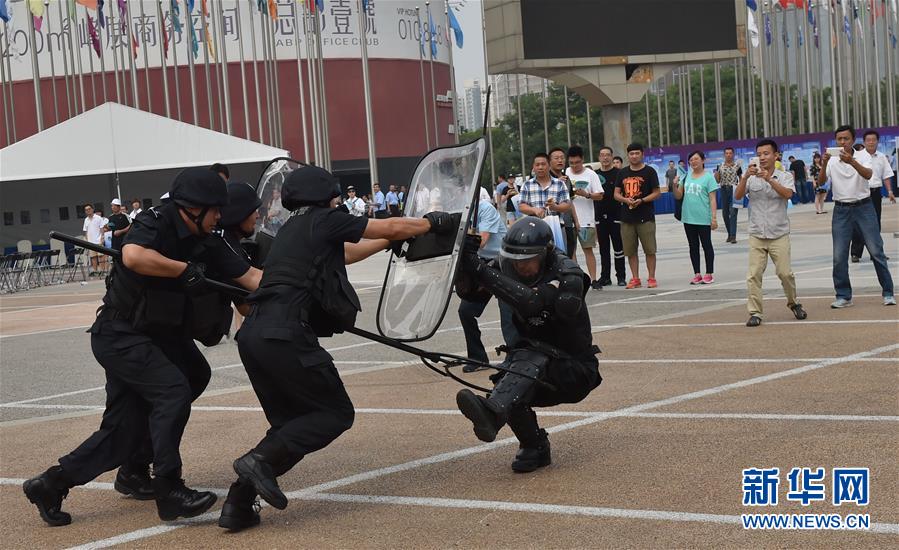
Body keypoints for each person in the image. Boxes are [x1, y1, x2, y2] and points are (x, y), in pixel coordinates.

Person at [219, 166, 455, 531]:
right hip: (286, 333)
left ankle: (237, 503)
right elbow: (389, 226)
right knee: (335, 414)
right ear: (324, 198)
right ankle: (256, 464)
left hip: (255, 336)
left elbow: (346, 253)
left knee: (290, 425)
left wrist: (390, 243)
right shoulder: (322, 219)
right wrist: (432, 223)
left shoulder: (294, 229)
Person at [23, 168, 262, 527]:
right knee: (172, 391)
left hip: (159, 337)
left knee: (145, 412)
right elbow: (133, 256)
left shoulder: (207, 238)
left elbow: (252, 279)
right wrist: (182, 269)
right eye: (215, 209)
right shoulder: (156, 220)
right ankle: (169, 489)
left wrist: (295, 284)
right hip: (121, 334)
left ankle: (59, 482)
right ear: (192, 208)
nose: (219, 217)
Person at [454, 217, 601, 472]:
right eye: (515, 261)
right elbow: (470, 297)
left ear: (544, 255)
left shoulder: (568, 275)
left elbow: (533, 302)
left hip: (574, 370)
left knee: (525, 360)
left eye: (527, 261)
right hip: (532, 367)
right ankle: (534, 446)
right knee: (508, 378)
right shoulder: (506, 265)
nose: (520, 268)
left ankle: (494, 412)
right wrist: (465, 262)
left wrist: (481, 271)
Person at [817, 125, 895, 308]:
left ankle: (888, 292)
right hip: (841, 209)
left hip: (864, 207)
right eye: (839, 139)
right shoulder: (832, 159)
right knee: (839, 255)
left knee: (876, 251)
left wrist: (852, 161)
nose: (842, 142)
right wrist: (825, 164)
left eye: (846, 139)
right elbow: (821, 183)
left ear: (853, 140)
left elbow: (868, 174)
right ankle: (844, 295)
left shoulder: (862, 155)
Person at [735, 140, 808, 326]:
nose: (762, 157)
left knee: (785, 273)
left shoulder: (784, 176)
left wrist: (768, 178)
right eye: (759, 154)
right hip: (757, 233)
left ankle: (793, 303)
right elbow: (737, 196)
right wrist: (744, 177)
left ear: (776, 155)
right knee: (753, 274)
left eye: (766, 153)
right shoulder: (750, 178)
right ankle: (755, 312)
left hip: (779, 233)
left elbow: (788, 194)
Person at [457, 196, 518, 373]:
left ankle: (514, 358)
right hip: (480, 264)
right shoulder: (460, 213)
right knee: (466, 311)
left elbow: (481, 241)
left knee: (507, 310)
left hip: (501, 263)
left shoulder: (485, 209)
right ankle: (477, 359)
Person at [614, 143, 661, 289]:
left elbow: (657, 193)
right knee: (630, 251)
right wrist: (625, 200)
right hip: (627, 217)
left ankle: (651, 277)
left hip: (645, 216)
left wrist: (642, 200)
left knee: (649, 249)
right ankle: (635, 278)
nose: (634, 156)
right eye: (631, 154)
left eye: (637, 153)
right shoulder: (622, 173)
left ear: (642, 154)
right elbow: (616, 194)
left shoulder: (650, 171)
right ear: (627, 156)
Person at [849, 130, 896, 262]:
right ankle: (855, 253)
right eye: (868, 140)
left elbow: (886, 176)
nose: (871, 142)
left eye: (873, 140)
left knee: (875, 223)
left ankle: (876, 253)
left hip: (875, 193)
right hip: (860, 193)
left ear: (877, 141)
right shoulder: (857, 157)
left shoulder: (881, 157)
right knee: (858, 224)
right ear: (864, 142)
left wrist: (890, 192)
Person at [674, 151, 718, 284]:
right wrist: (674, 185)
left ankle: (709, 273)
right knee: (693, 246)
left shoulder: (708, 177)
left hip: (703, 217)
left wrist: (714, 218)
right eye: (691, 160)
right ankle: (697, 273)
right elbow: (678, 196)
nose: (693, 162)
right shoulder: (685, 177)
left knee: (706, 245)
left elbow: (712, 199)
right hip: (688, 217)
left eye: (696, 159)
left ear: (703, 160)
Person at [565, 145, 604, 289]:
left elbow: (600, 195)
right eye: (571, 163)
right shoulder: (565, 172)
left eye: (577, 162)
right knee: (571, 251)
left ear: (582, 160)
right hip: (568, 219)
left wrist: (586, 194)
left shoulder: (590, 174)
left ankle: (593, 279)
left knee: (588, 250)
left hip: (586, 219)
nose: (574, 166)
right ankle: (576, 279)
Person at [518, 154, 572, 255]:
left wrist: (555, 207)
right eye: (537, 165)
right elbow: (521, 206)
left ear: (549, 166)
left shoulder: (559, 184)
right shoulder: (527, 185)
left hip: (557, 228)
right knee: (536, 259)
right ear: (533, 167)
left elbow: (567, 205)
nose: (540, 167)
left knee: (559, 258)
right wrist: (534, 210)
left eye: (543, 164)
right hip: (534, 229)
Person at [594, 147, 627, 287]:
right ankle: (605, 277)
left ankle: (621, 276)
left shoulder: (620, 173)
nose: (605, 158)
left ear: (612, 157)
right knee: (603, 249)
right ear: (599, 157)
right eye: (602, 155)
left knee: (618, 248)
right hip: (599, 216)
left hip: (616, 215)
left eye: (608, 155)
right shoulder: (594, 175)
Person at [548, 148, 578, 259]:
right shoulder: (545, 178)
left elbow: (569, 201)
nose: (560, 160)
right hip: (552, 223)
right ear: (549, 161)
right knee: (555, 254)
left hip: (568, 222)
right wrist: (556, 183)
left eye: (562, 158)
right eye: (556, 158)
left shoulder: (567, 179)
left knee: (570, 252)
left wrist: (576, 220)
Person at [716, 147, 742, 243]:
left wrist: (742, 189)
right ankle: (729, 234)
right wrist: (716, 174)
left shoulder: (737, 166)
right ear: (724, 155)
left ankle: (733, 236)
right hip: (723, 189)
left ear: (733, 154)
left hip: (734, 189)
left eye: (730, 153)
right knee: (725, 213)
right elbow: (717, 180)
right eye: (726, 153)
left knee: (733, 212)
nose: (728, 155)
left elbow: (741, 178)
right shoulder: (720, 166)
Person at [82, 204, 104, 275]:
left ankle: (102, 271)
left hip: (98, 240)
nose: (88, 211)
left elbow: (102, 229)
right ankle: (95, 271)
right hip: (90, 242)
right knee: (93, 257)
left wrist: (102, 239)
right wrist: (87, 241)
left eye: (89, 209)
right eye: (86, 210)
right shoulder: (86, 220)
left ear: (92, 209)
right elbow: (85, 231)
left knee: (100, 256)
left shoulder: (98, 218)